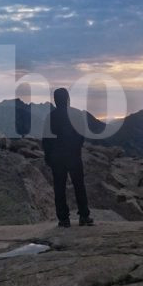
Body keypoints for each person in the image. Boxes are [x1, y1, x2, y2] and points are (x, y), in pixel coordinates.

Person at [41, 88, 93, 227]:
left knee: (59, 188)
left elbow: (46, 139)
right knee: (79, 186)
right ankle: (84, 216)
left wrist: (48, 157)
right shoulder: (76, 114)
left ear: (56, 100)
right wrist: (76, 149)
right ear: (67, 99)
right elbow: (81, 134)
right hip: (73, 156)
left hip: (57, 157)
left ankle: (63, 219)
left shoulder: (50, 116)